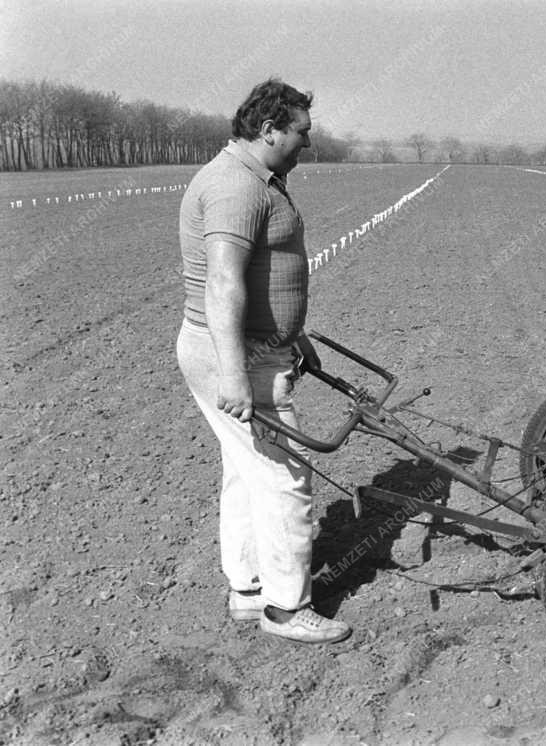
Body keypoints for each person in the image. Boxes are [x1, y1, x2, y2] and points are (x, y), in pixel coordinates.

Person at [176, 79, 350, 644]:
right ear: (269, 129)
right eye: (301, 133)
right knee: (284, 476)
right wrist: (234, 373)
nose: (307, 144)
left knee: (246, 473)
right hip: (234, 354)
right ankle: (286, 607)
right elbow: (223, 284)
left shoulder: (252, 177)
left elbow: (259, 276)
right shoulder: (235, 187)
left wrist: (292, 336)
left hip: (250, 346)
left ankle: (249, 592)